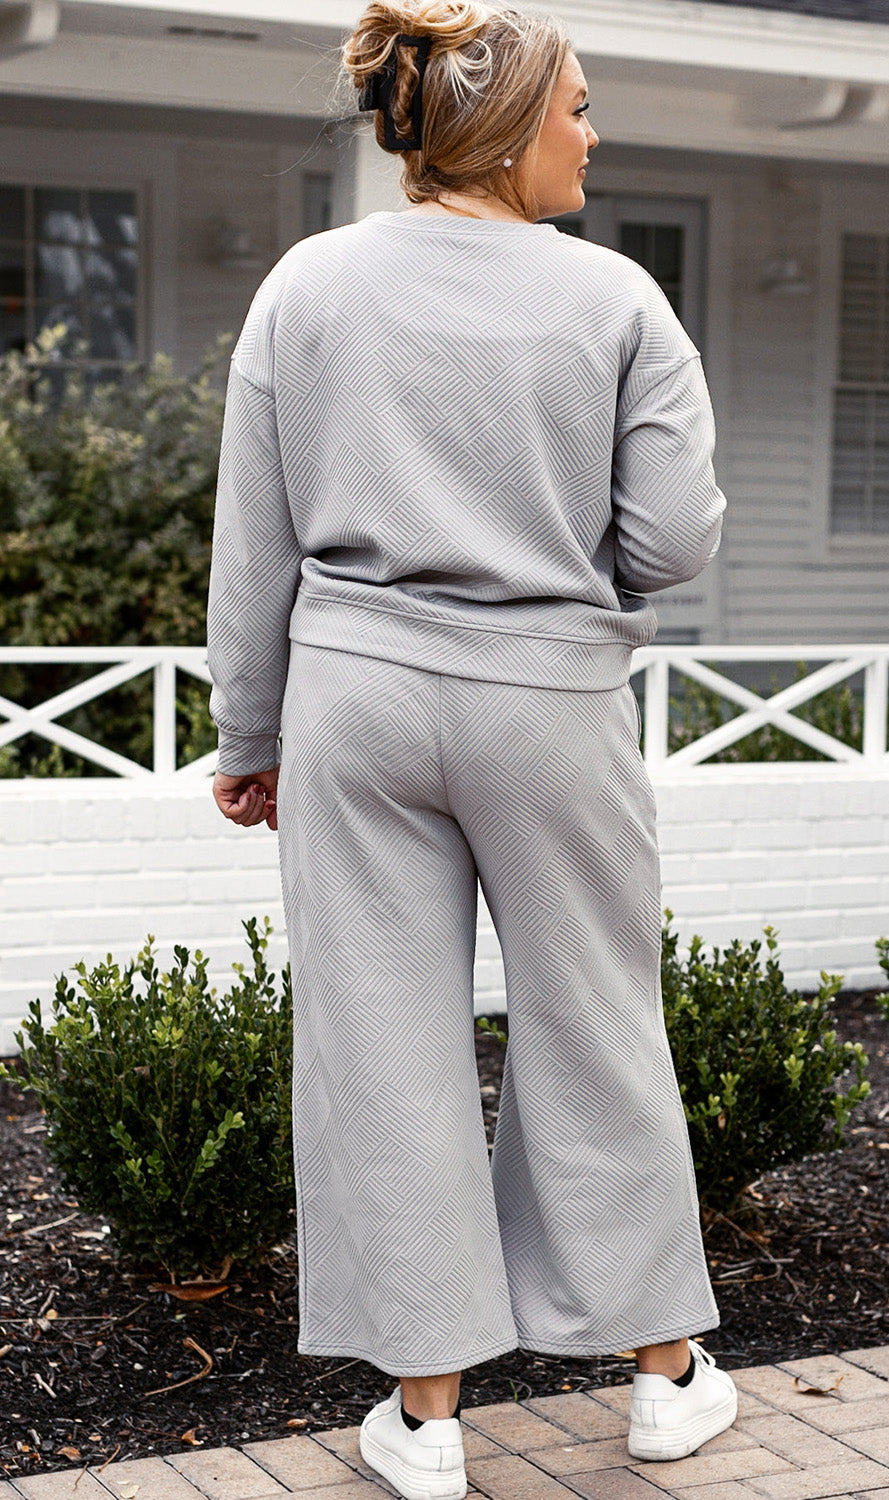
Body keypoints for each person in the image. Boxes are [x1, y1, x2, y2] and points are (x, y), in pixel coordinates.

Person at [207, 3, 736, 1496]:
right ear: (508, 129)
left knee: (382, 1045)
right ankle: (664, 1378)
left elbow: (254, 543)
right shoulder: (620, 301)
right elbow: (674, 541)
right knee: (595, 1020)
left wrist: (252, 733)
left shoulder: (308, 285)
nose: (592, 130)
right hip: (548, 702)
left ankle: (428, 1423)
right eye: (578, 106)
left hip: (355, 697)